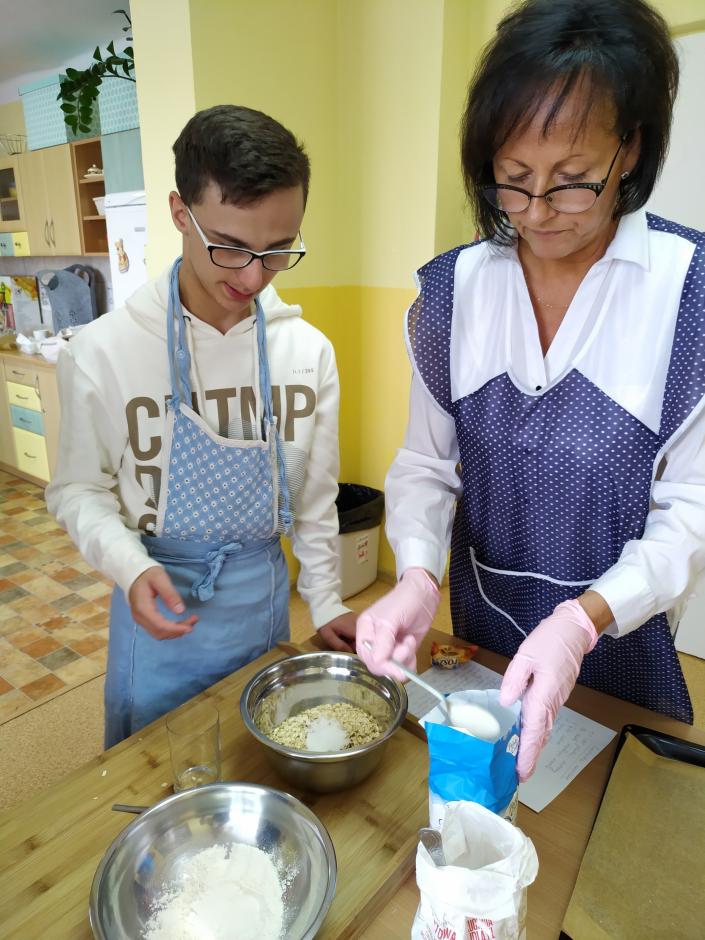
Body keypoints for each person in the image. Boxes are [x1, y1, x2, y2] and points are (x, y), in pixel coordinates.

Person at [357, 0, 705, 781]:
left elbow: (691, 512)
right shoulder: (455, 290)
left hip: (617, 637)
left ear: (629, 150)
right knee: (488, 797)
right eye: (512, 182)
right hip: (481, 628)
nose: (538, 213)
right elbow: (425, 466)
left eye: (572, 182)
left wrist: (579, 625)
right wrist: (415, 575)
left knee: (603, 820)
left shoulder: (686, 292)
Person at [46, 105, 356, 747]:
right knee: (155, 769)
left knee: (253, 756)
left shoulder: (307, 353)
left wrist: (326, 600)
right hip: (157, 605)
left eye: (278, 250)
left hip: (261, 608)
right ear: (179, 213)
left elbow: (315, 498)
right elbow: (77, 489)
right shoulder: (103, 352)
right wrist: (130, 566)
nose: (252, 276)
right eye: (230, 247)